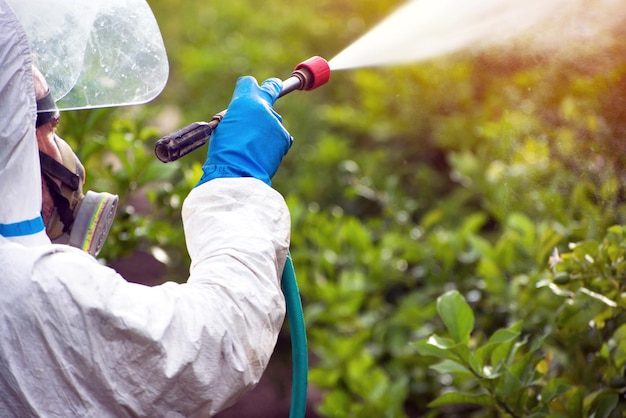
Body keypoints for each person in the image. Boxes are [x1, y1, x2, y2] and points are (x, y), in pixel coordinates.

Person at [0, 2, 293, 416]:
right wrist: (237, 184)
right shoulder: (27, 290)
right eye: (46, 129)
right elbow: (210, 346)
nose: (59, 156)